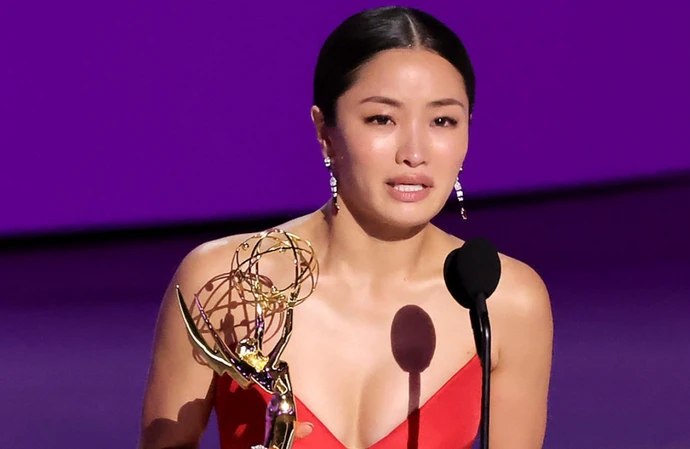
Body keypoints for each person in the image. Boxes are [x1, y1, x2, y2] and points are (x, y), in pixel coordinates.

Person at [138, 6, 553, 449]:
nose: (415, 152)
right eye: (382, 119)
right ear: (325, 133)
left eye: (442, 121)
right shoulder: (227, 283)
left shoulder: (503, 301)